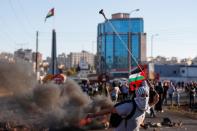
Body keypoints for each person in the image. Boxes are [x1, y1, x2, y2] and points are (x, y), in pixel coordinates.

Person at [87, 79, 158, 131]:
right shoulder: (129, 106)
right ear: (137, 96)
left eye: (146, 95)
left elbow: (153, 102)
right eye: (142, 95)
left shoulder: (145, 107)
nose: (145, 97)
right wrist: (92, 115)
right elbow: (110, 110)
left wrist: (156, 97)